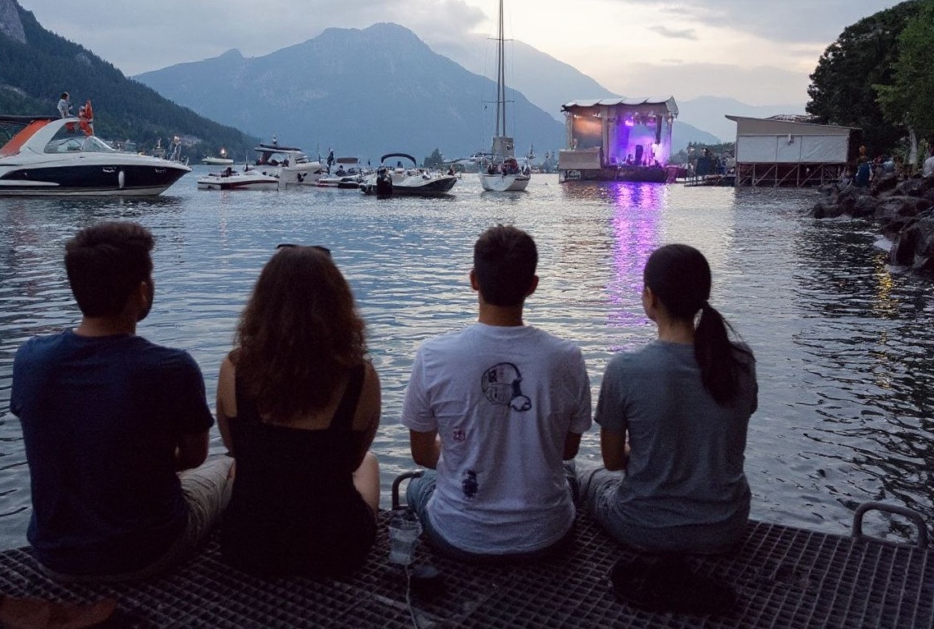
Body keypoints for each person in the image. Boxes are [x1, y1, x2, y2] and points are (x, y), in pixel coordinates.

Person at [11, 222, 233, 582]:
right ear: (142, 291)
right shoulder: (171, 367)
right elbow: (194, 458)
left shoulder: (31, 359)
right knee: (228, 469)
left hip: (54, 558)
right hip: (149, 552)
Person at [401, 225, 592, 562]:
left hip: (459, 536)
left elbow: (421, 454)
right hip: (547, 536)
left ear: (474, 280)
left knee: (417, 486)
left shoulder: (433, 356)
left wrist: (465, 447)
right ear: (532, 286)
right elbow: (565, 450)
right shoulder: (567, 358)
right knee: (571, 474)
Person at [577, 244, 757, 554]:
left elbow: (613, 461)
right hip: (727, 527)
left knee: (573, 468)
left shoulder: (624, 369)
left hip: (643, 526)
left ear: (650, 297)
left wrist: (640, 449)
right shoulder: (740, 360)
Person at [216, 244, 381, 576]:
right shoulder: (361, 376)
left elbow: (236, 447)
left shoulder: (234, 368)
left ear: (262, 304)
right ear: (338, 304)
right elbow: (351, 460)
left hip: (248, 547)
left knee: (236, 466)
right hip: (335, 550)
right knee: (370, 463)